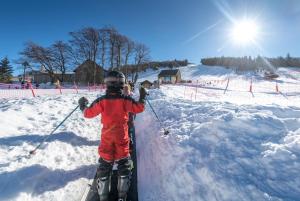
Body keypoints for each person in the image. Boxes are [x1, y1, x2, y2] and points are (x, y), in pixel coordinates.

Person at [78, 71, 147, 201]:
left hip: (107, 136)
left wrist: (82, 106)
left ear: (107, 83)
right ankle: (122, 196)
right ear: (122, 84)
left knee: (105, 162)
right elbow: (139, 108)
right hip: (122, 135)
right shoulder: (125, 100)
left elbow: (88, 113)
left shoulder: (102, 100)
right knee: (124, 162)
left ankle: (103, 196)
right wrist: (143, 97)